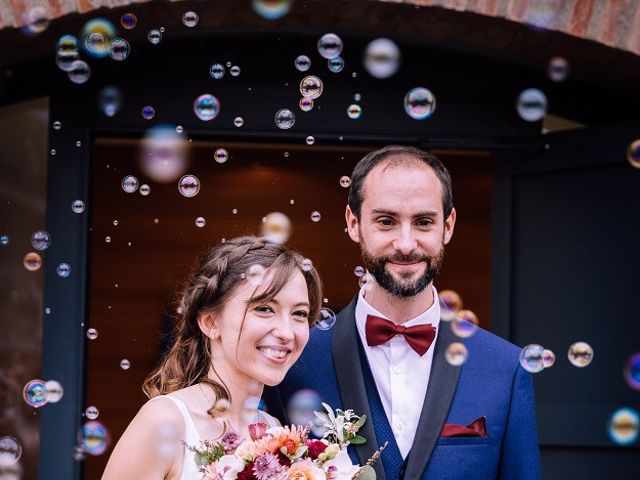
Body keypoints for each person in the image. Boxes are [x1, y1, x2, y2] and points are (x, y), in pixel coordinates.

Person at [266, 146, 542, 479]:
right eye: (386, 221)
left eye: (424, 222)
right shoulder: (293, 357)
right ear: (353, 223)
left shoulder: (506, 370)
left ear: (448, 226)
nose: (406, 243)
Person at [102, 236, 323, 480]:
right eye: (264, 308)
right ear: (210, 322)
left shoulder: (276, 432)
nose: (286, 332)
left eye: (299, 313)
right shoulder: (165, 421)